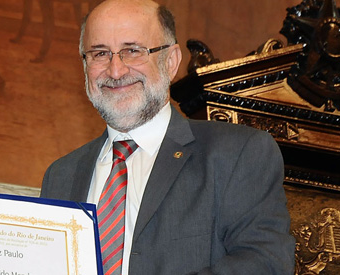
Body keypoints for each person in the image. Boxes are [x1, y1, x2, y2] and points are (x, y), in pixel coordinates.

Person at [40, 0, 295, 274]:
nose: (115, 70)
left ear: (171, 61)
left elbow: (265, 263)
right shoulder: (60, 175)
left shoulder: (237, 153)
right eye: (100, 54)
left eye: (133, 50)